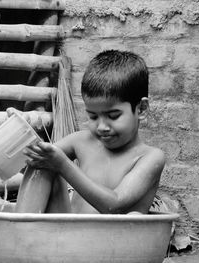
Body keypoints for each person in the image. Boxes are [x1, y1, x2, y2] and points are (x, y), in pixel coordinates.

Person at [21, 49, 165, 214]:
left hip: (114, 238)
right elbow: (31, 163)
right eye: (93, 116)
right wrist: (19, 132)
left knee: (135, 217)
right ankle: (20, 232)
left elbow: (114, 204)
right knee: (42, 164)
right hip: (66, 235)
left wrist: (63, 165)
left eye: (113, 116)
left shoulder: (150, 157)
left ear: (141, 109)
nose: (102, 126)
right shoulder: (80, 141)